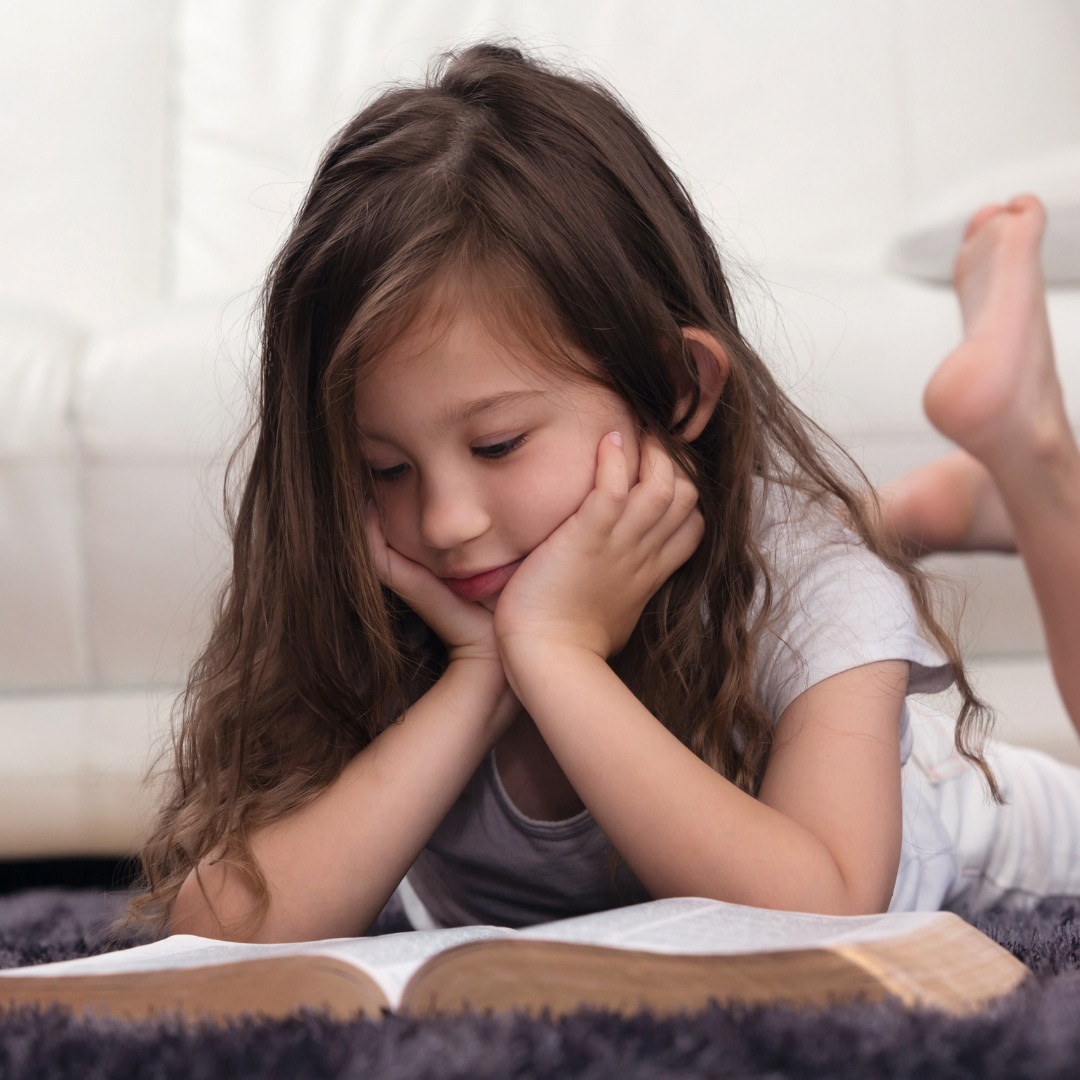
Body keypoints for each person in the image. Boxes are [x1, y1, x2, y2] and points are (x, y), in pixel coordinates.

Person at [134, 44, 1080, 943]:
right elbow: (216, 932)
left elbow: (824, 908)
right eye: (387, 468)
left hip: (956, 800)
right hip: (728, 561)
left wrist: (555, 652)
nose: (446, 523)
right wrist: (479, 677)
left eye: (498, 445)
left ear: (676, 389)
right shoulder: (393, 601)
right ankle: (925, 510)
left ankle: (1036, 470)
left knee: (806, 556)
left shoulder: (811, 588)